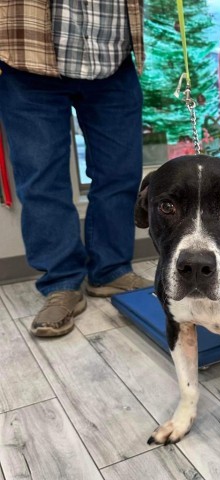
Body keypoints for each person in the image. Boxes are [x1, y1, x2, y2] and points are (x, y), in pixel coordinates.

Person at [0, 1, 152, 337]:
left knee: (120, 174)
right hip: (27, 56)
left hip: (113, 57)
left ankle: (110, 271)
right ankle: (61, 283)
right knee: (41, 182)